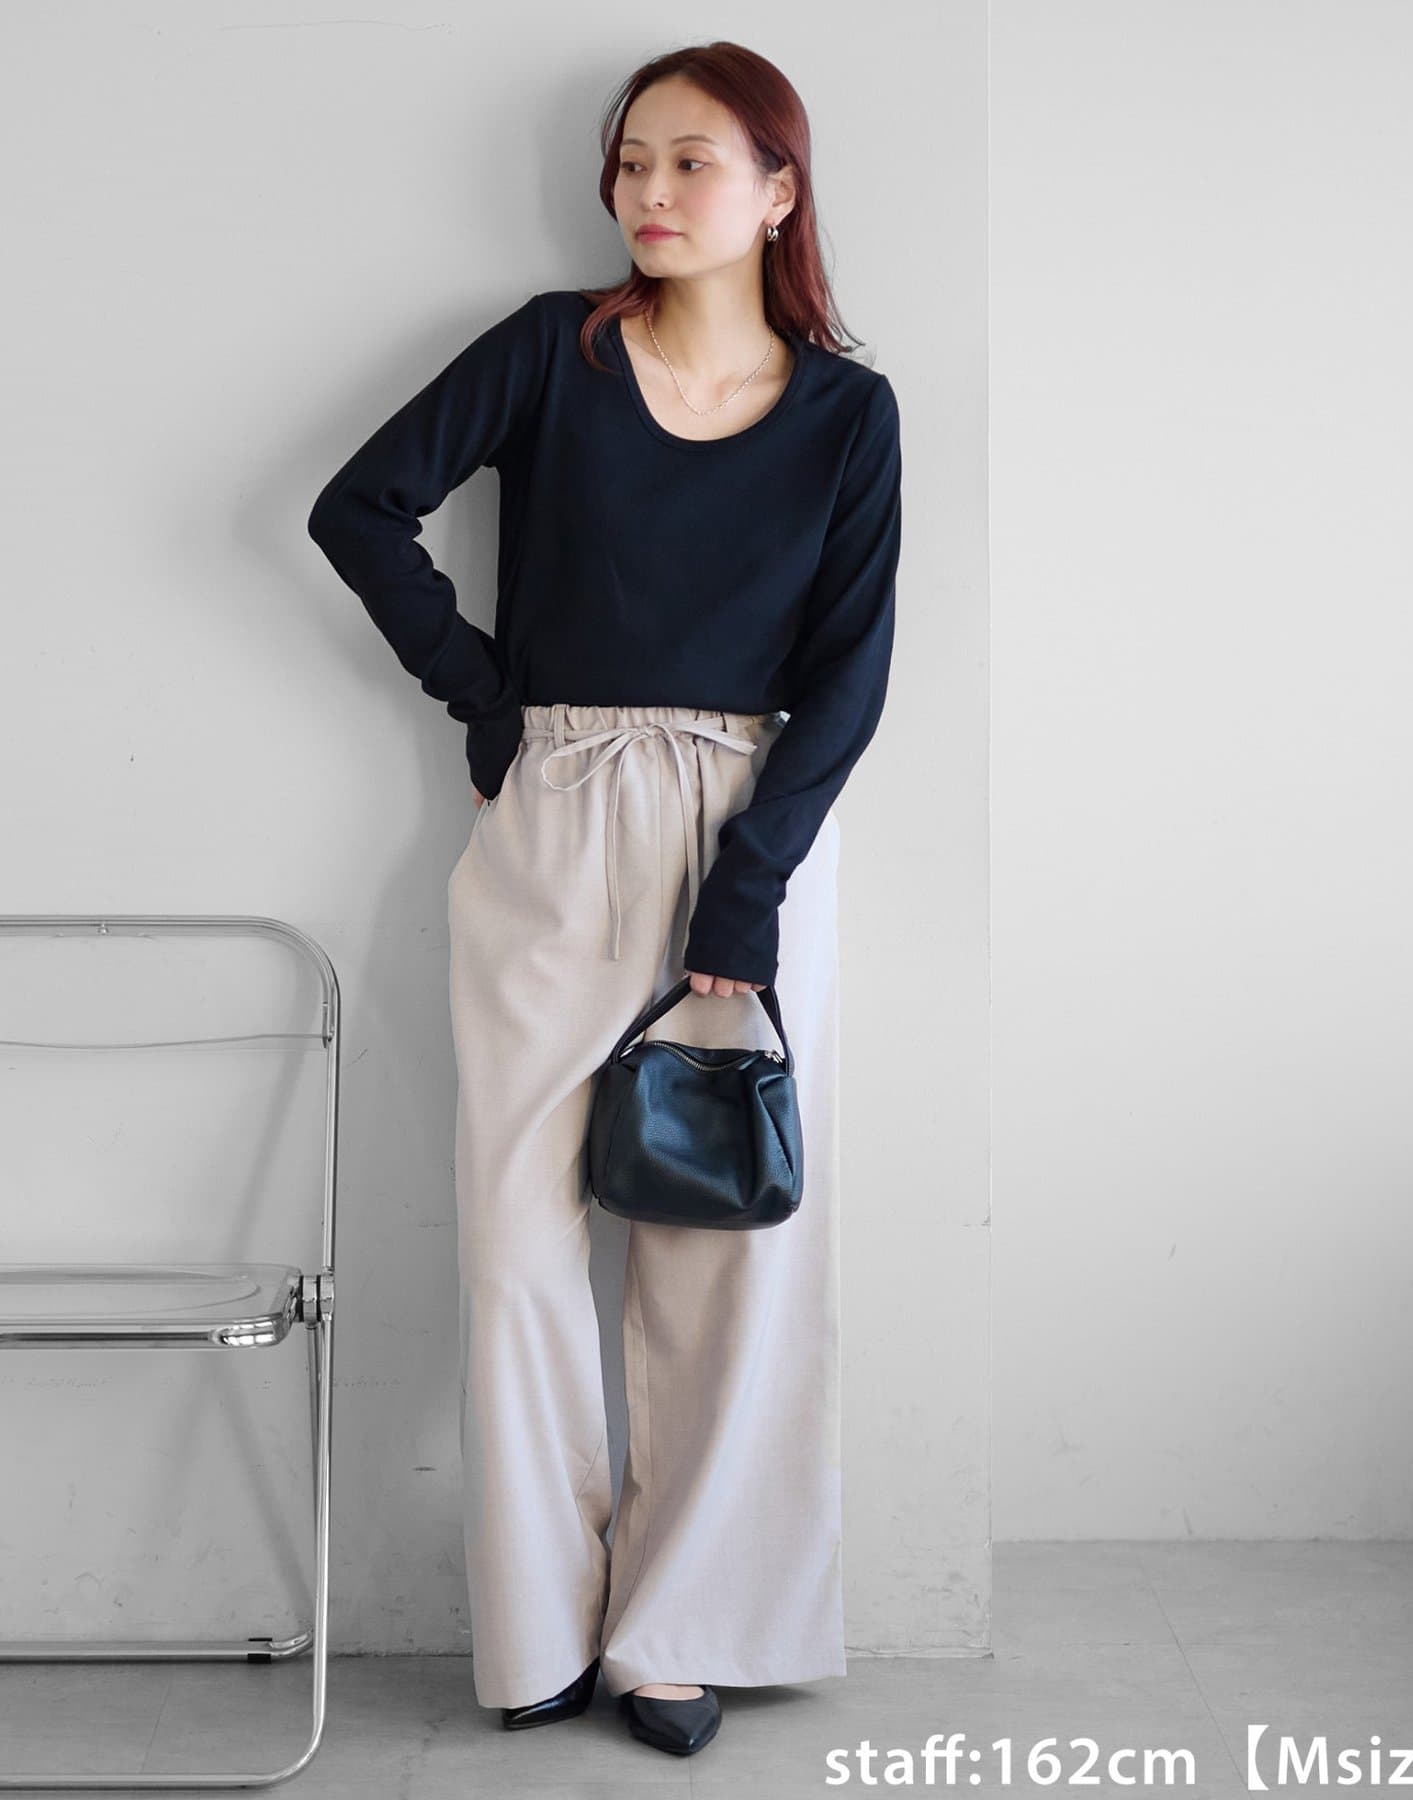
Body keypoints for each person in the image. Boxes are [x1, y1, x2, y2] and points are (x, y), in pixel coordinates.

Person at [305, 39, 901, 1761]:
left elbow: (850, 677)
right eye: (631, 160)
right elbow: (360, 510)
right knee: (516, 1237)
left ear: (777, 191)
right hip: (555, 808)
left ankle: (680, 1627)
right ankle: (541, 1624)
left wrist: (746, 901)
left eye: (691, 161)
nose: (648, 191)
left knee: (723, 1249)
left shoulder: (848, 414)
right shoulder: (549, 354)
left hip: (752, 822)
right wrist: (488, 704)